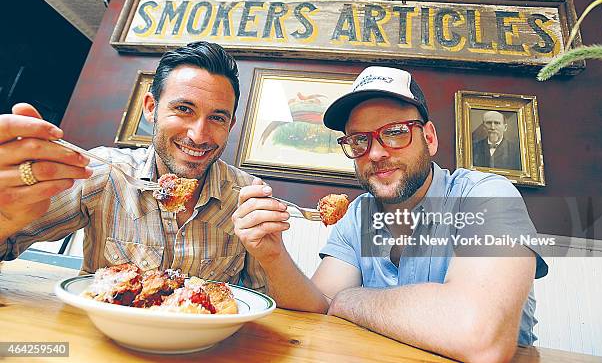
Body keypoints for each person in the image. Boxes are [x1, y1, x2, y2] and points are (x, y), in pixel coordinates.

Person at [232, 66, 548, 362]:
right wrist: (272, 255)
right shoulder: (359, 215)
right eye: (359, 140)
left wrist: (349, 301)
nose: (377, 152)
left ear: (430, 138)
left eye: (396, 132)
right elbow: (317, 306)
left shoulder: (485, 196)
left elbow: (481, 337)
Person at [0, 41, 266, 292]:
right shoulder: (103, 173)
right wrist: (5, 217)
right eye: (184, 109)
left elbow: (273, 299)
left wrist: (274, 252)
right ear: (151, 108)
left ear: (229, 125)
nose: (198, 135)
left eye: (217, 117)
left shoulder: (245, 195)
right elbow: (6, 244)